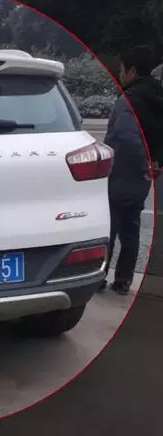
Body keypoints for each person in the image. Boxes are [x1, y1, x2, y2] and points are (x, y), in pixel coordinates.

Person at [100, 46, 163, 295]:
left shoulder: (128, 101)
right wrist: (155, 164)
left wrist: (142, 163)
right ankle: (124, 280)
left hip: (122, 172)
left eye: (122, 70)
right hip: (143, 177)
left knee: (110, 228)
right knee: (131, 229)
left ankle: (100, 277)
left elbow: (125, 136)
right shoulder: (157, 97)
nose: (120, 74)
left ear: (132, 71)